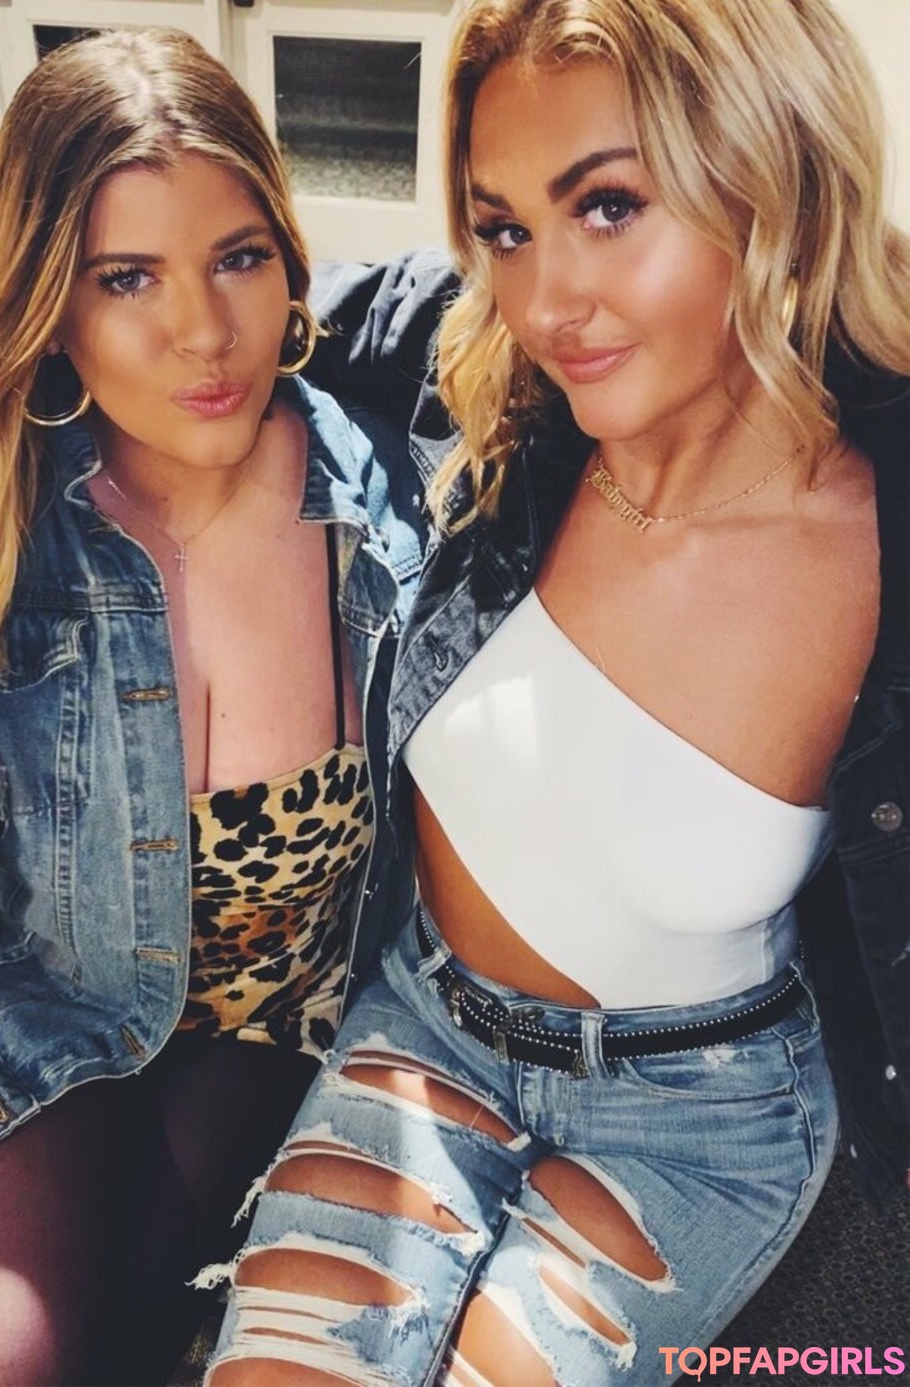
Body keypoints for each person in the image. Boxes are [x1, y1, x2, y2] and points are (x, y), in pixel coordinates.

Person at [193, 1, 908, 1383]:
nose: (546, 303)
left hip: (699, 1122)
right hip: (424, 1034)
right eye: (507, 229)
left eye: (609, 206)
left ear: (775, 172)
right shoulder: (480, 385)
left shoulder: (878, 532)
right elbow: (192, 275)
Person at [0, 28, 426, 1387]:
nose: (203, 333)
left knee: (120, 1342)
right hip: (33, 1000)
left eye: (239, 258)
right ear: (50, 301)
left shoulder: (382, 504)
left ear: (291, 263)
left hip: (267, 1016)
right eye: (126, 278)